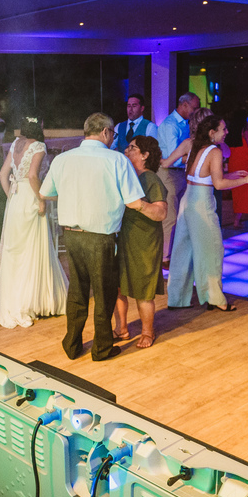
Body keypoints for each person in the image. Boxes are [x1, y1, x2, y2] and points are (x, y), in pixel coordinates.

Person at [40, 112, 150, 361]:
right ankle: (101, 348)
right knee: (104, 293)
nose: (113, 138)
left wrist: (71, 196)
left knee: (77, 291)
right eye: (112, 134)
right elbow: (133, 202)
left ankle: (72, 344)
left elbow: (46, 193)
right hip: (101, 237)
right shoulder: (116, 159)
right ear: (105, 132)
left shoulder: (63, 159)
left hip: (72, 235)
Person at [167, 115, 248, 311]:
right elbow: (219, 184)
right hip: (202, 203)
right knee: (212, 250)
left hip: (187, 201)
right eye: (223, 129)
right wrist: (246, 180)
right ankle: (214, 298)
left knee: (183, 250)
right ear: (211, 132)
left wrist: (231, 175)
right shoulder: (214, 152)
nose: (226, 132)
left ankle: (177, 298)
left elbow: (199, 174)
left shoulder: (191, 145)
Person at [0, 115, 67, 328]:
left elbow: (2, 174)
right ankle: (32, 301)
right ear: (39, 126)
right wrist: (41, 200)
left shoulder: (15, 144)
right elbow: (34, 176)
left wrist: (10, 197)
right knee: (33, 250)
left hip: (16, 199)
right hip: (31, 197)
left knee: (16, 251)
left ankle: (16, 299)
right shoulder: (39, 146)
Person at [114, 136, 168, 347]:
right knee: (118, 286)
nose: (126, 151)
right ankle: (121, 328)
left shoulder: (150, 179)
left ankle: (147, 332)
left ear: (145, 155)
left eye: (132, 148)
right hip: (123, 237)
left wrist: (139, 205)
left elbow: (161, 213)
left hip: (145, 241)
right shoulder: (128, 177)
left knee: (143, 289)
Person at [157, 93, 202, 260]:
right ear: (184, 105)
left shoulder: (185, 124)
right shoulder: (170, 125)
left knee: (180, 215)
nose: (195, 112)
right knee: (170, 216)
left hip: (181, 173)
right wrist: (199, 155)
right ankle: (165, 256)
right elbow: (172, 157)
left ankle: (175, 252)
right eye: (194, 108)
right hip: (169, 173)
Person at [225, 110, 248, 230]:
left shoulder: (230, 132)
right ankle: (236, 220)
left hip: (234, 162)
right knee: (244, 191)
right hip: (245, 162)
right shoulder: (245, 131)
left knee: (236, 190)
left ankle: (236, 219)